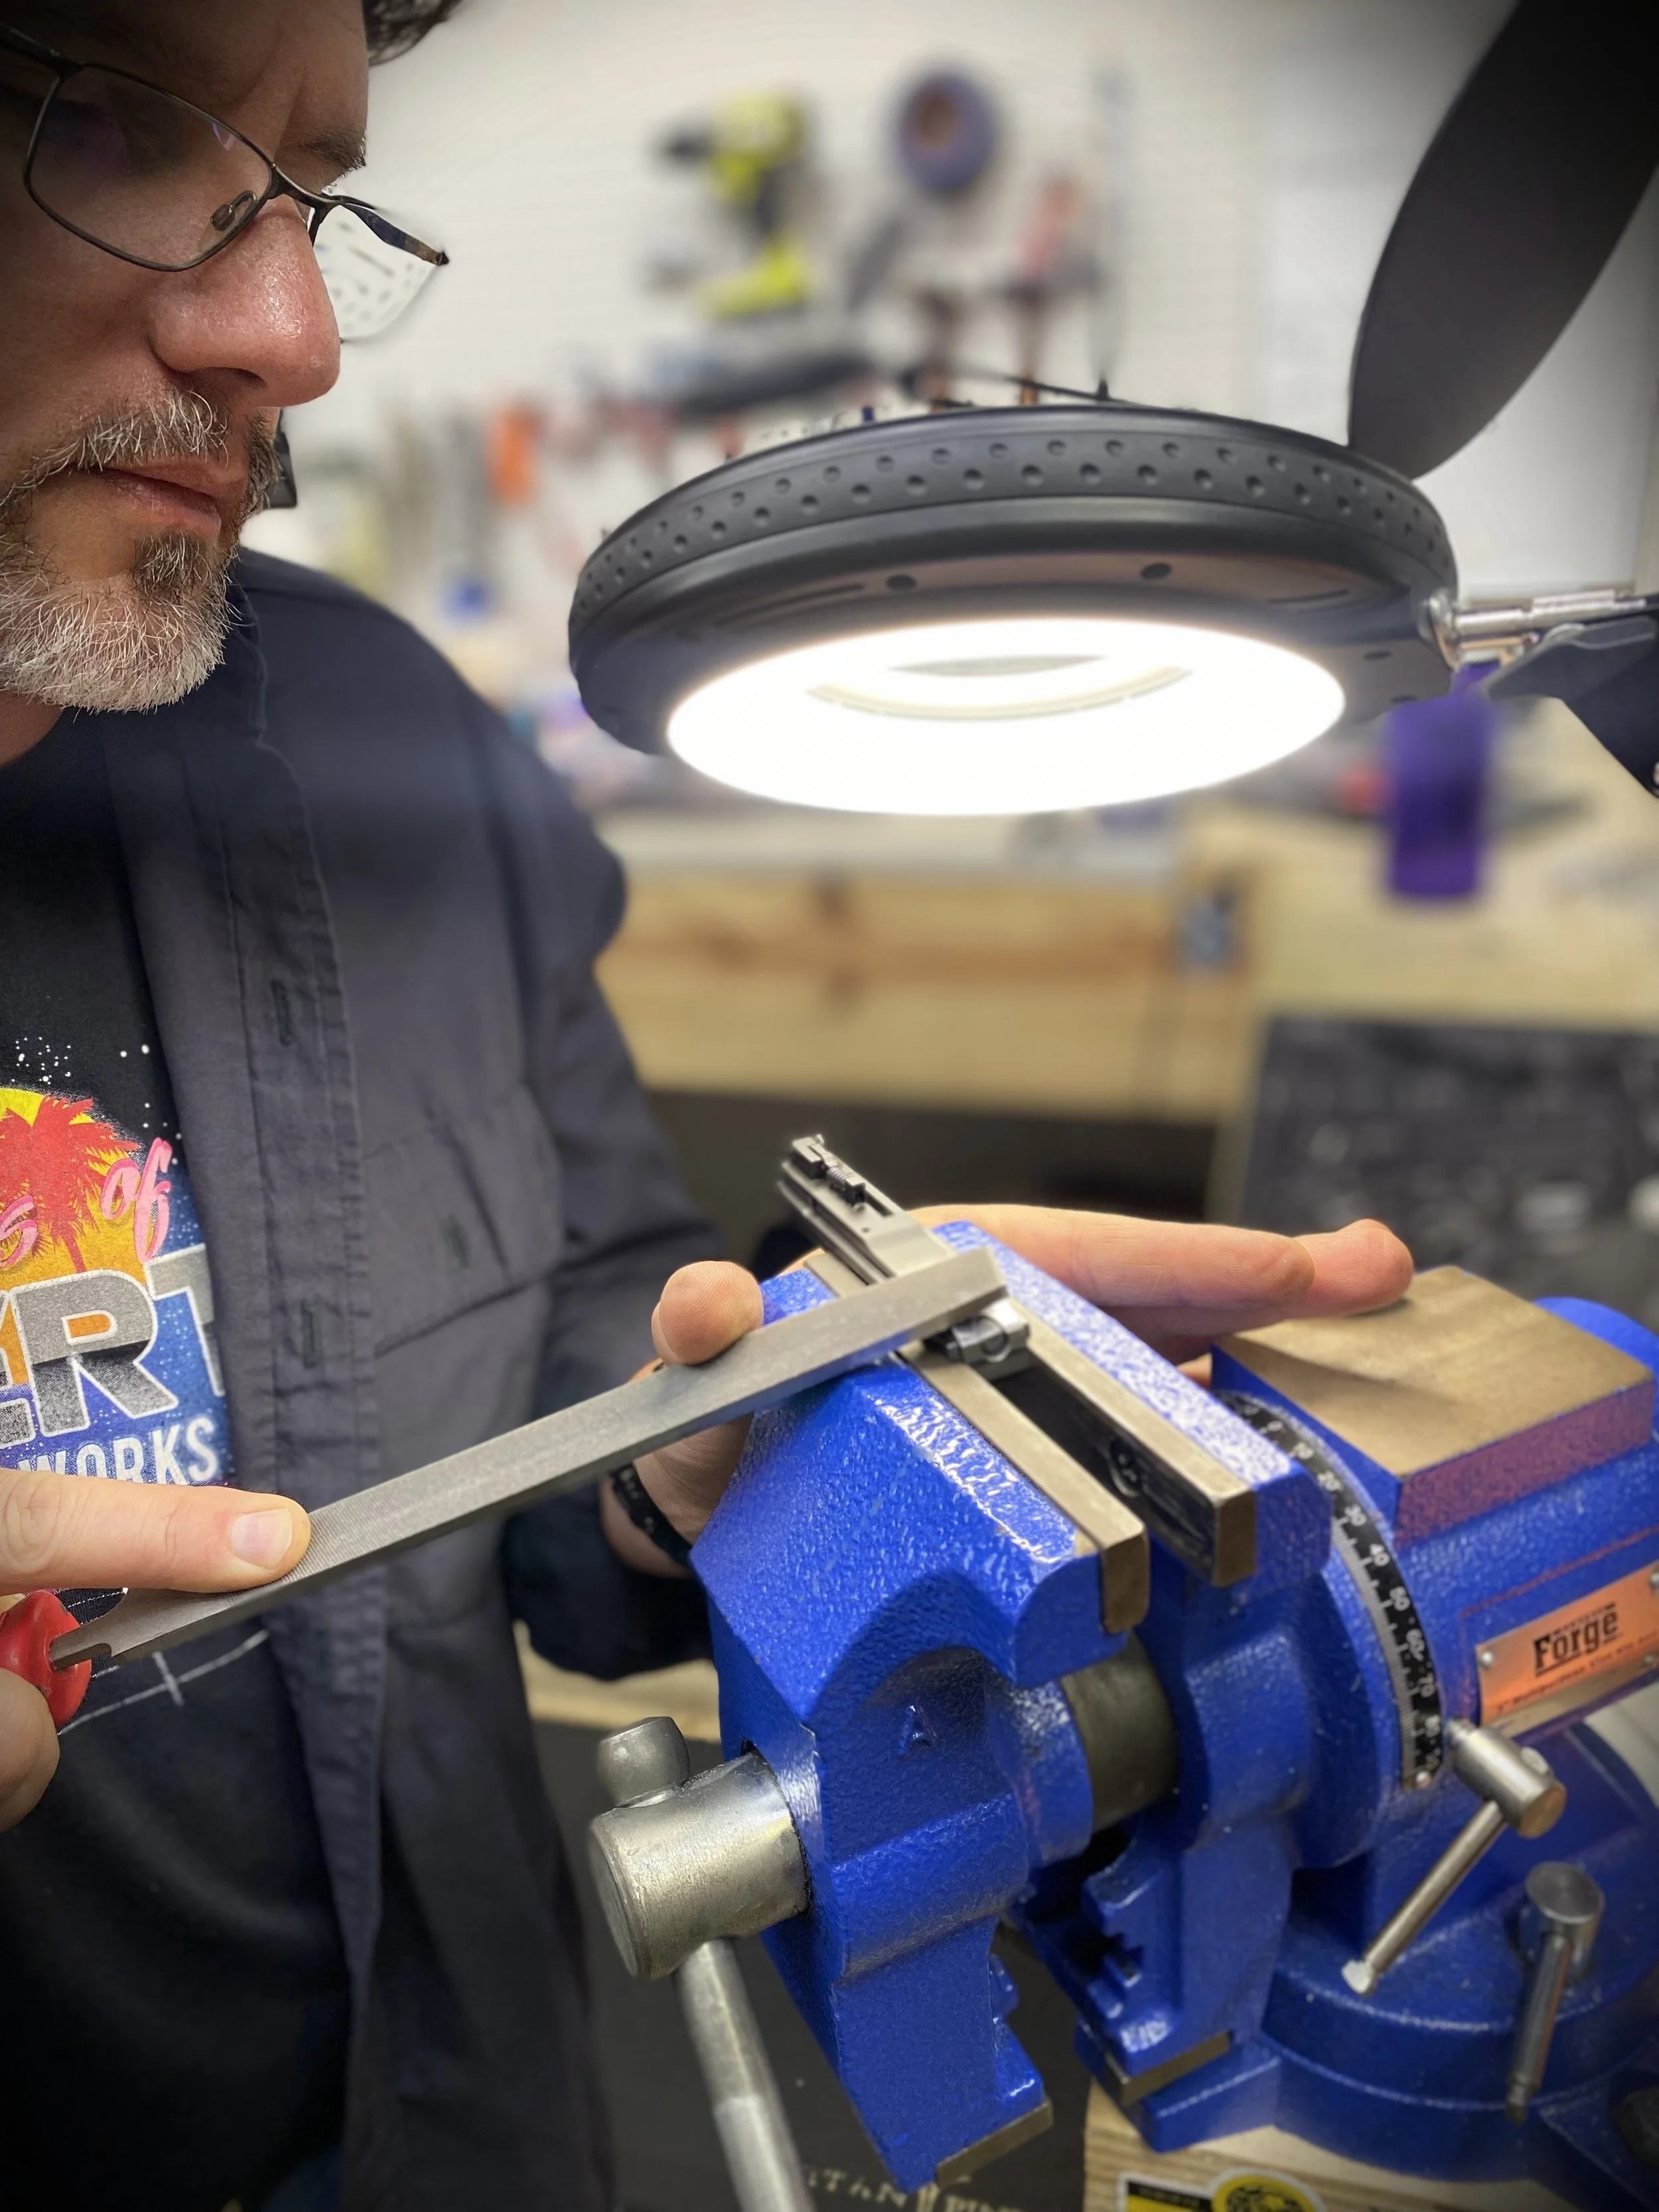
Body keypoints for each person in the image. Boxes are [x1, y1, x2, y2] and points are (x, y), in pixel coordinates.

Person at [0, 3, 1413, 2207]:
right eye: (92, 115)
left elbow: (565, 1412)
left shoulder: (378, 754)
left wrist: (754, 1425)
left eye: (303, 198)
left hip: (456, 2135)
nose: (286, 337)